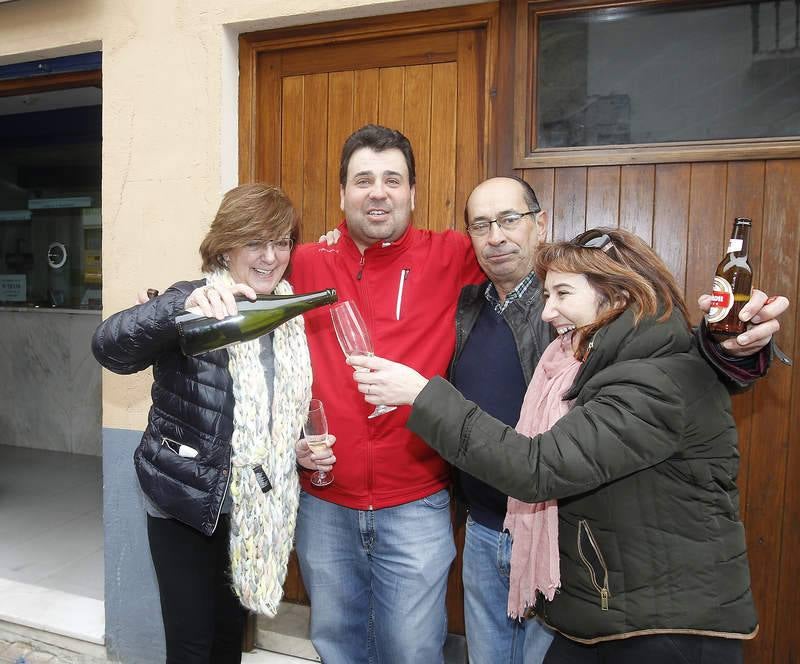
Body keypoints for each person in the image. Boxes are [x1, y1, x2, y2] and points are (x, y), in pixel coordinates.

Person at [349, 227, 765, 663]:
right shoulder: (595, 363)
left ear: (618, 296)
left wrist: (422, 395)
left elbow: (538, 467)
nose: (548, 312)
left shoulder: (652, 379)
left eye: (563, 293)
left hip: (664, 626)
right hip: (612, 610)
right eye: (547, 295)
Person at [92, 184, 332, 664]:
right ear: (226, 244)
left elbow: (272, 418)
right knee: (191, 647)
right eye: (254, 242)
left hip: (252, 510)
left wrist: (298, 451)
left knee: (228, 643)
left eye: (282, 242)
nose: (270, 257)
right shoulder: (196, 304)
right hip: (186, 502)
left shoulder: (289, 316)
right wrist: (175, 306)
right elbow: (109, 347)